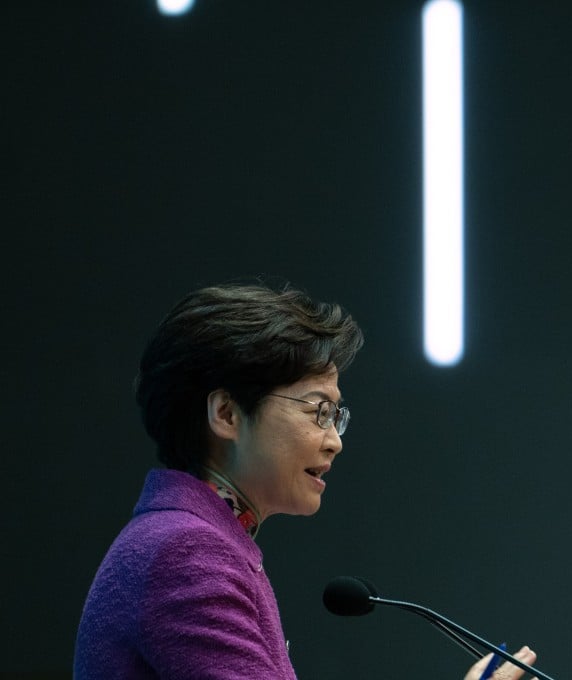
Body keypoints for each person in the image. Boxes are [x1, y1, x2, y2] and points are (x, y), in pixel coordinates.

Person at [73, 281, 537, 679]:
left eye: (337, 416)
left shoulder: (194, 539)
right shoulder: (187, 554)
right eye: (319, 412)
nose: (334, 441)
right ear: (227, 413)